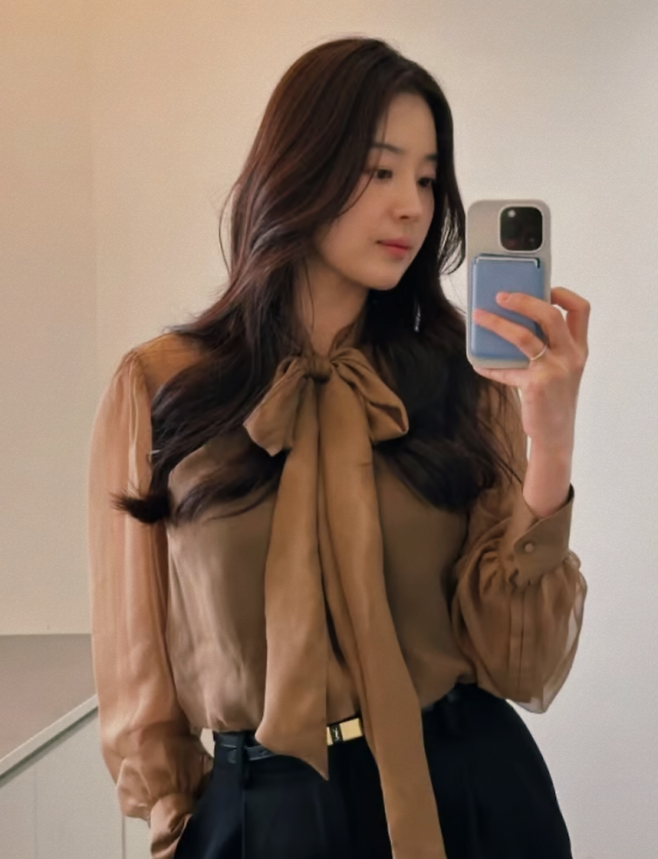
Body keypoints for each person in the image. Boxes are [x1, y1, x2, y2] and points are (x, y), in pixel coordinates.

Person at [87, 36, 589, 859]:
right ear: (300, 165)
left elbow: (519, 664)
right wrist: (178, 827)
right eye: (380, 170)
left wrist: (553, 440)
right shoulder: (160, 387)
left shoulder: (463, 378)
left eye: (427, 179)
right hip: (265, 816)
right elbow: (138, 679)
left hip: (470, 797)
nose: (412, 207)